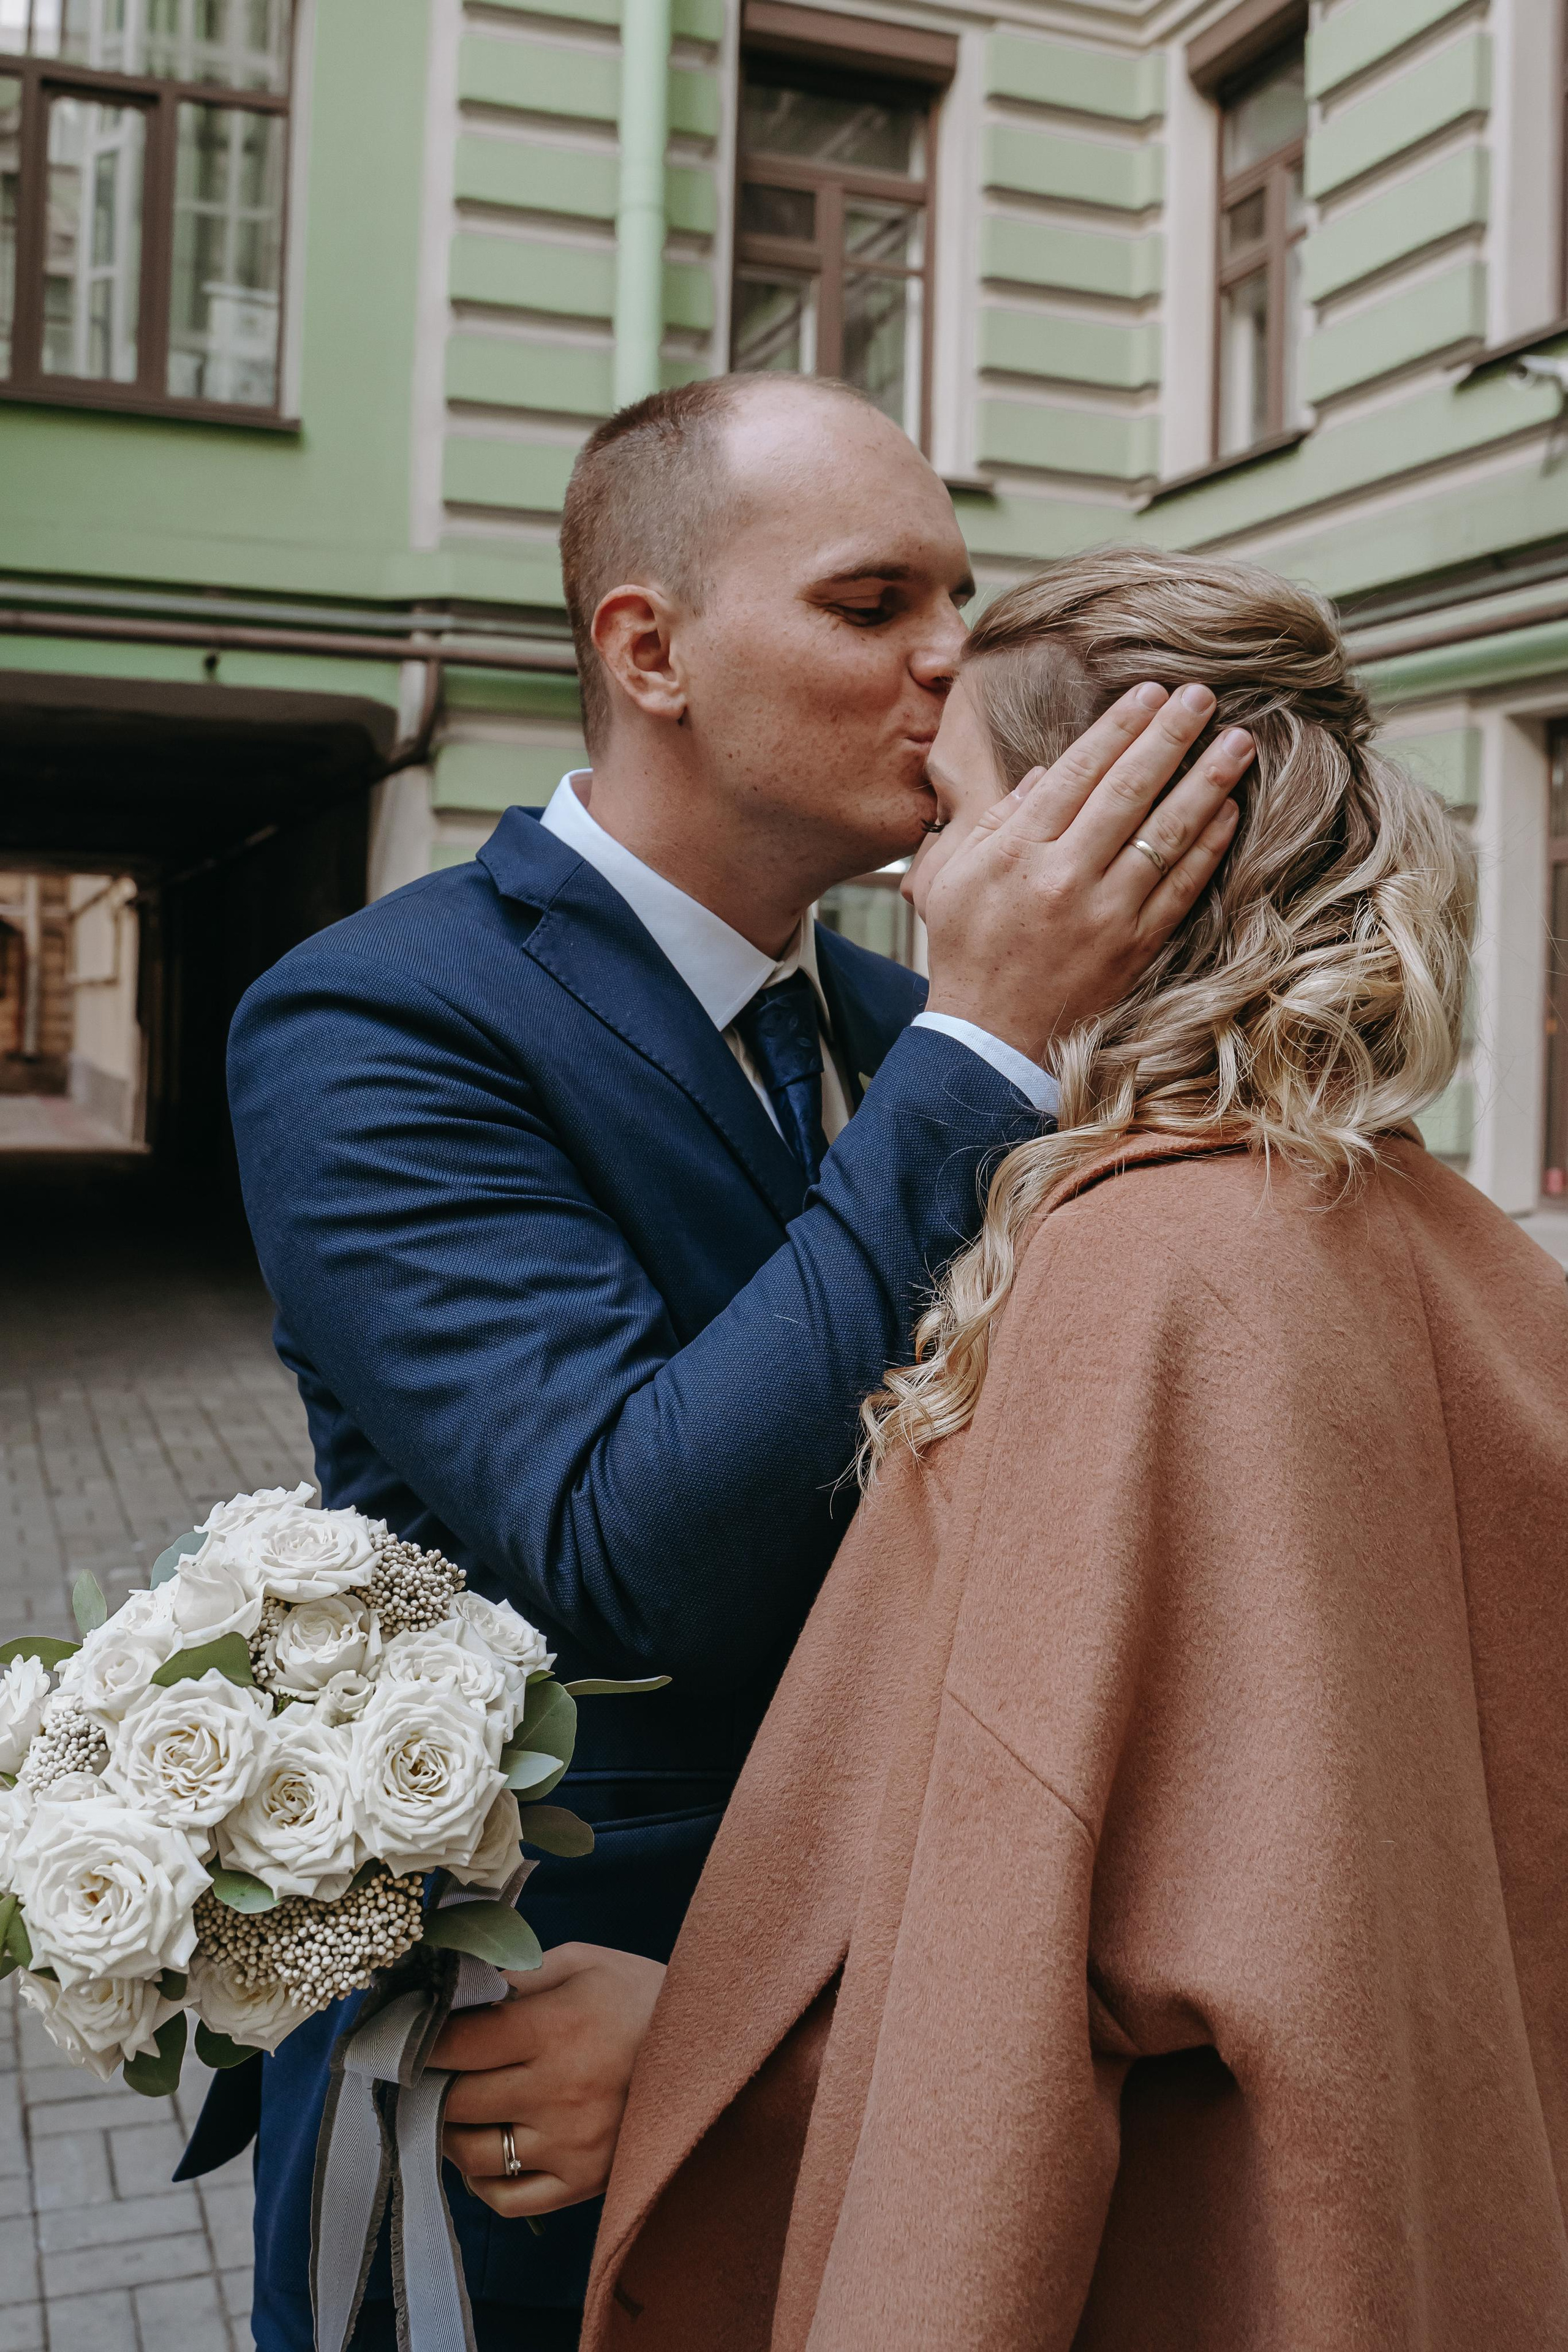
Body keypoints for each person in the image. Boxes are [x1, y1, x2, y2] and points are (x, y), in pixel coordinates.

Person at [178, 384, 1251, 2352]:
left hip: (884, 2041)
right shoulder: (379, 1018)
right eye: (872, 601)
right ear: (650, 649)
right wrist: (989, 1050)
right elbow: (627, 1539)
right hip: (536, 2085)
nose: (954, 656)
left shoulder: (907, 1019)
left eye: (961, 593)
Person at [581, 546, 1568, 2352]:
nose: (914, 868)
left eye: (952, 817)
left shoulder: (1141, 1275)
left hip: (1206, 2264)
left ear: (1112, 845)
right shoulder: (1469, 1249)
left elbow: (995, 1996)